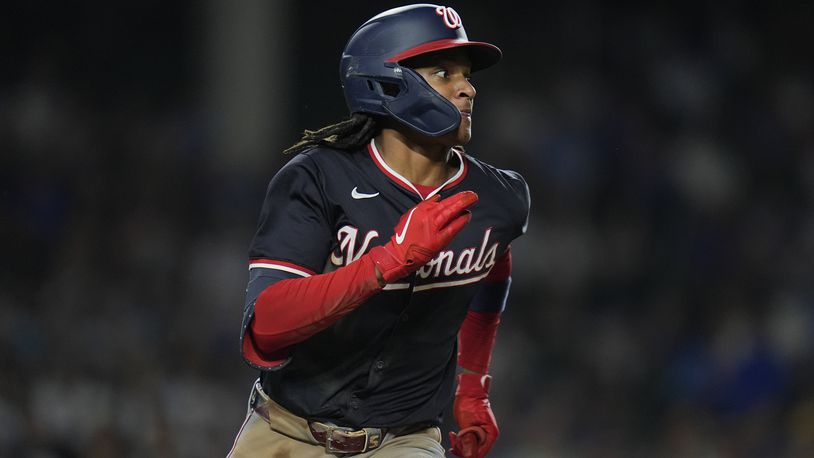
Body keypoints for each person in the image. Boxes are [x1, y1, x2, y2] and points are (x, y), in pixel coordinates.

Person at [227, 4, 529, 457]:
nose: (467, 88)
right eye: (443, 72)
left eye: (466, 75)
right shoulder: (318, 178)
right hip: (287, 431)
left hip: (405, 440)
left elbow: (493, 264)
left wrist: (472, 388)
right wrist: (385, 263)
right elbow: (265, 327)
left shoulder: (501, 197)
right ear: (387, 81)